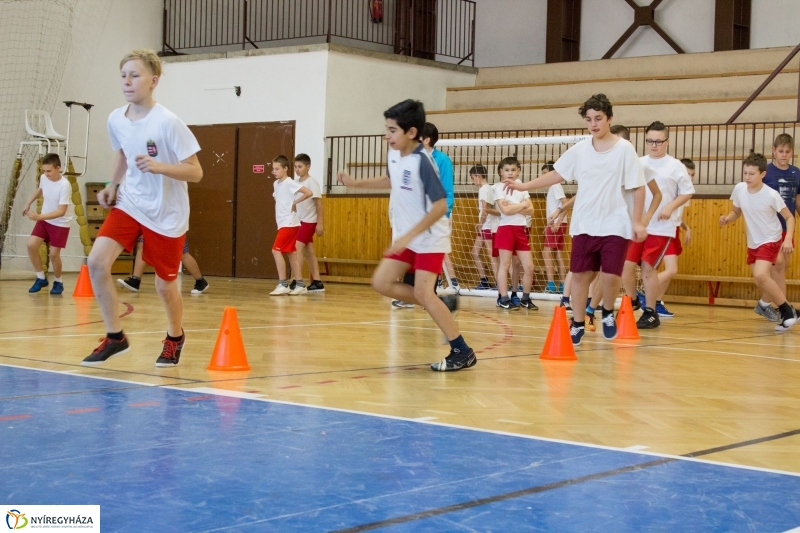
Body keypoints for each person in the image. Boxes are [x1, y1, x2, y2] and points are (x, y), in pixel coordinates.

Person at [82, 49, 203, 367]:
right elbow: (123, 153)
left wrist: (159, 166)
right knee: (96, 262)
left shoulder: (168, 122)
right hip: (130, 203)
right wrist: (112, 185)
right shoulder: (115, 119)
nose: (127, 81)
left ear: (153, 80)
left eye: (134, 75)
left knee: (165, 286)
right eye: (123, 75)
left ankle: (175, 337)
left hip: (167, 214)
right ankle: (115, 337)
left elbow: (196, 171)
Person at [338, 99, 475, 372]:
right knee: (381, 282)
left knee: (424, 292)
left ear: (411, 132)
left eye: (392, 130)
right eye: (386, 129)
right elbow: (392, 179)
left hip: (429, 237)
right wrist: (357, 183)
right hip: (409, 236)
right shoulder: (395, 154)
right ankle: (439, 302)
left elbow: (439, 206)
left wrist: (408, 235)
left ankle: (462, 350)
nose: (386, 135)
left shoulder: (424, 162)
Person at [504, 94, 647, 345]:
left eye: (599, 119)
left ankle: (607, 312)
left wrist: (637, 221)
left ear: (610, 119)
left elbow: (638, 187)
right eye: (589, 119)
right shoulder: (580, 149)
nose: (593, 124)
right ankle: (578, 322)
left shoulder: (625, 149)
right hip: (585, 223)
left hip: (616, 223)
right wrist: (524, 184)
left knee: (611, 274)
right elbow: (558, 174)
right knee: (580, 275)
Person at [625, 121, 694, 329]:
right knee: (625, 266)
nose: (654, 145)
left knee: (648, 268)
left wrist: (670, 207)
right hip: (638, 225)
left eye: (658, 141)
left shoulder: (675, 166)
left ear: (667, 142)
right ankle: (633, 298)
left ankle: (650, 312)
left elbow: (687, 191)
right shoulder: (639, 162)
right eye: (650, 141)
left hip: (661, 228)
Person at [719, 153, 797, 332]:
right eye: (745, 173)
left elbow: (789, 217)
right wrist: (728, 218)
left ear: (762, 174)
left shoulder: (771, 194)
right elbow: (736, 211)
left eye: (751, 174)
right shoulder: (739, 189)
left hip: (771, 238)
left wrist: (787, 239)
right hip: (753, 242)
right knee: (760, 280)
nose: (747, 177)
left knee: (761, 275)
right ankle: (787, 310)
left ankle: (788, 311)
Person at [754, 134, 800, 322]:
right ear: (773, 150)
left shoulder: (796, 172)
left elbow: (796, 199)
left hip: (787, 226)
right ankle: (785, 308)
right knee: (778, 264)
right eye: (780, 151)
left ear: (792, 153)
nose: (784, 155)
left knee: (782, 267)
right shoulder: (767, 173)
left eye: (787, 152)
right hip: (769, 227)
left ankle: (765, 304)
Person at [22, 153, 73, 295]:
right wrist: (28, 203)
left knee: (53, 255)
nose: (46, 174)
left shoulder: (65, 185)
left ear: (58, 168)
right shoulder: (44, 178)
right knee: (31, 245)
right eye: (44, 171)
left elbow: (61, 211)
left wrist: (39, 216)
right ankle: (41, 278)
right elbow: (40, 189)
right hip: (45, 220)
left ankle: (58, 281)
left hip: (60, 223)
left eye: (49, 171)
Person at [651, 158, 695, 318]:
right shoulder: (671, 190)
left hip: (675, 230)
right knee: (671, 269)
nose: (689, 177)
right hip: (664, 231)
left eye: (692, 175)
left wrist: (686, 227)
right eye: (687, 174)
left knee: (671, 271)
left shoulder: (685, 193)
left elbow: (677, 215)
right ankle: (645, 291)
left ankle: (657, 301)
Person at [492, 156, 537, 310]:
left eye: (513, 170)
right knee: (505, 264)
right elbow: (505, 210)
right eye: (506, 170)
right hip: (506, 229)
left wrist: (516, 206)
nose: (510, 173)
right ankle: (503, 298)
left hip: (520, 229)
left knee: (529, 266)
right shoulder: (498, 187)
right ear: (501, 172)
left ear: (518, 171)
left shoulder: (521, 186)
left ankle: (525, 298)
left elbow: (531, 210)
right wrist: (522, 205)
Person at [421, 122, 459, 292]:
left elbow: (448, 192)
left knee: (432, 254)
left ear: (427, 140)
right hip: (417, 216)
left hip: (437, 215)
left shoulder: (442, 161)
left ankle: (431, 292)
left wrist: (441, 214)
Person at [269, 155, 312, 296]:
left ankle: (283, 283)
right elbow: (277, 197)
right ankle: (299, 284)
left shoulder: (289, 182)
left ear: (285, 168)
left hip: (290, 223)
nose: (274, 171)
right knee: (292, 254)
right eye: (273, 169)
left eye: (277, 169)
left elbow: (308, 192)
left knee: (276, 251)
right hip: (282, 223)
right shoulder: (276, 184)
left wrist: (295, 203)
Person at [117, 236, 209, 294]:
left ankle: (200, 281)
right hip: (154, 218)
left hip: (173, 221)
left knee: (182, 254)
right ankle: (135, 281)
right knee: (143, 244)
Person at [292, 153, 325, 293]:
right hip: (299, 221)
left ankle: (297, 281)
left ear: (308, 166)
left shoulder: (312, 183)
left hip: (309, 222)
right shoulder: (296, 183)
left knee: (296, 248)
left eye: (300, 166)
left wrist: (320, 223)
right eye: (295, 167)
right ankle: (317, 282)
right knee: (309, 252)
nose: (297, 169)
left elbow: (319, 204)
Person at [469, 164, 496, 289]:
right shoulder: (488, 188)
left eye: (472, 178)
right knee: (475, 252)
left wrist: (480, 222)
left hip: (487, 225)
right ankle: (484, 281)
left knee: (492, 255)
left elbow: (486, 209)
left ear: (478, 176)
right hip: (485, 226)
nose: (472, 180)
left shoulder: (484, 189)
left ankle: (498, 284)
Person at [542, 162, 567, 294]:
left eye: (545, 174)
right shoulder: (554, 187)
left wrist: (558, 222)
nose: (543, 177)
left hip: (557, 224)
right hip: (557, 223)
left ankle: (551, 284)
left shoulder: (555, 185)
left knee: (546, 253)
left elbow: (565, 203)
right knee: (557, 254)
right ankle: (563, 285)